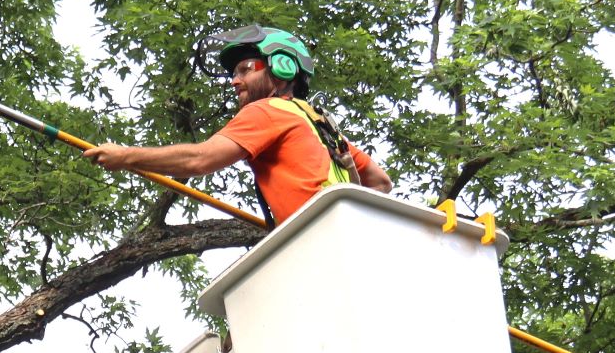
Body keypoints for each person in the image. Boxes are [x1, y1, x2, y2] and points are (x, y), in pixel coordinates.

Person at [83, 25, 392, 224]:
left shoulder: (268, 110)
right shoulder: (320, 125)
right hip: (340, 241)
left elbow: (200, 159)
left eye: (246, 68)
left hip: (317, 242)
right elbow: (380, 182)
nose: (235, 80)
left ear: (282, 68)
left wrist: (125, 156)